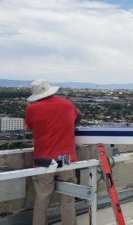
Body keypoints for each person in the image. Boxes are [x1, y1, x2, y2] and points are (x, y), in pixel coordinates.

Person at [25, 79, 82, 225]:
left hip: (43, 159)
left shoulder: (32, 109)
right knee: (68, 199)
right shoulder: (67, 104)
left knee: (42, 201)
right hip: (65, 158)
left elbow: (30, 128)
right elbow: (79, 116)